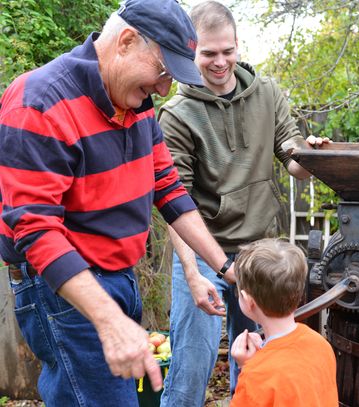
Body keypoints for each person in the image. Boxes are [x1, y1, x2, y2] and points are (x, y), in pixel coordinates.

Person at [0, 0, 236, 405]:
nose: (164, 90)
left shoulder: (135, 102)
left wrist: (226, 268)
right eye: (163, 73)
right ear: (126, 41)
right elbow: (35, 229)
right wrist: (109, 320)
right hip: (64, 290)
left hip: (118, 275)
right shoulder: (38, 102)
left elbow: (168, 187)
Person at [158, 1, 329, 406]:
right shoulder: (177, 115)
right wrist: (193, 272)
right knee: (191, 368)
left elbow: (292, 159)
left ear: (238, 45)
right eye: (208, 53)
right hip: (202, 252)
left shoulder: (268, 93)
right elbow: (173, 201)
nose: (220, 62)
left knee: (259, 364)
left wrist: (310, 155)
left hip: (258, 253)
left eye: (227, 51)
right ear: (191, 51)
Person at [229, 238, 338, 406]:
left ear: (247, 300)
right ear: (300, 292)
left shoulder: (256, 374)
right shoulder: (321, 345)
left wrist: (246, 367)